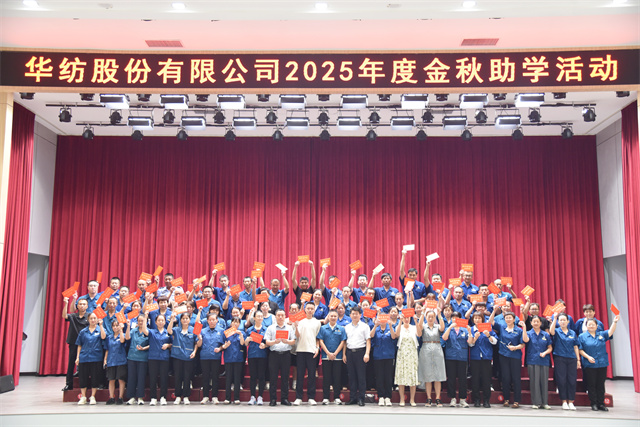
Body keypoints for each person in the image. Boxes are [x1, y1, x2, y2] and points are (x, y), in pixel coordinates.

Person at [578, 315, 619, 411]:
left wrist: (615, 322)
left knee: (601, 384)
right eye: (589, 324)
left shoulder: (601, 334)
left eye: (593, 324)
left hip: (602, 363)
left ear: (597, 326)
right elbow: (580, 350)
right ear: (586, 326)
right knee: (591, 384)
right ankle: (594, 403)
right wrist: (588, 357)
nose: (591, 326)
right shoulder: (582, 336)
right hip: (589, 364)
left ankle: (601, 403)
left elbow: (610, 331)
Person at [489, 307, 525, 408]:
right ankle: (506, 399)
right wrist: (494, 311)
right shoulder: (502, 327)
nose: (508, 319)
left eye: (510, 318)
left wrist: (515, 347)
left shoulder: (519, 330)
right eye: (506, 318)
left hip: (515, 356)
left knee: (516, 378)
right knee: (505, 377)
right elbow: (491, 322)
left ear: (514, 319)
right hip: (503, 355)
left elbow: (523, 344)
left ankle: (516, 401)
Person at [549, 312, 580, 410]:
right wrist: (554, 319)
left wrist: (578, 359)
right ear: (558, 322)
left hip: (572, 358)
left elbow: (575, 346)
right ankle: (564, 401)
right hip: (560, 358)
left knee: (572, 380)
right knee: (561, 380)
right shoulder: (557, 331)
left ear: (568, 321)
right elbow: (551, 332)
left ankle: (571, 401)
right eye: (560, 320)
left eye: (564, 320)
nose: (562, 322)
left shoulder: (572, 333)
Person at [265, 309, 296, 406]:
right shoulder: (271, 328)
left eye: (282, 315)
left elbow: (293, 341)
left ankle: (284, 398)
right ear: (275, 316)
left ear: (285, 316)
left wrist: (287, 341)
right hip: (274, 355)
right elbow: (267, 342)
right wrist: (274, 342)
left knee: (285, 378)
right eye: (278, 315)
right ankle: (273, 399)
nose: (280, 317)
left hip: (286, 355)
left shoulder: (289, 328)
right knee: (273, 378)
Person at [293, 301, 322, 405]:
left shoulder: (317, 322)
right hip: (300, 350)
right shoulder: (300, 321)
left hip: (312, 351)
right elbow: (297, 336)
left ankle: (311, 397)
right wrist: (296, 327)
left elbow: (318, 337)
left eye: (311, 308)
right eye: (308, 308)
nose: (309, 310)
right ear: (305, 309)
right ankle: (298, 397)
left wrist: (317, 348)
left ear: (314, 310)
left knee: (311, 375)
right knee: (300, 375)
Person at [140, 312, 171, 406]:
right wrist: (145, 317)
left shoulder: (168, 332)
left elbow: (173, 343)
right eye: (159, 320)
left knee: (164, 378)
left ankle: (163, 397)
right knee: (153, 378)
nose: (161, 322)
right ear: (156, 322)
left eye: (162, 320)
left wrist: (168, 345)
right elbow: (144, 330)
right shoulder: (152, 332)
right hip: (153, 358)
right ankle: (153, 398)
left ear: (165, 322)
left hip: (164, 358)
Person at [442, 313, 473, 407]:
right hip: (451, 356)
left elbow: (470, 342)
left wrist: (470, 332)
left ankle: (463, 399)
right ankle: (452, 399)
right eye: (453, 318)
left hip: (462, 357)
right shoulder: (449, 328)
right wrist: (450, 327)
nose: (455, 319)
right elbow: (444, 338)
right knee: (451, 378)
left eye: (457, 318)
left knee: (462, 379)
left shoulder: (465, 329)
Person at [167, 312, 198, 404]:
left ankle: (186, 396)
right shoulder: (176, 329)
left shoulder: (194, 330)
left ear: (189, 320)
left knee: (187, 377)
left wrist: (194, 352)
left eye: (186, 318)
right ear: (180, 320)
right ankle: (178, 396)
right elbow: (169, 331)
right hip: (177, 356)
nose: (185, 320)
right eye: (183, 318)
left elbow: (197, 343)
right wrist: (172, 320)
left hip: (188, 356)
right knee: (178, 377)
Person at [317, 309, 347, 405]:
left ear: (337, 317)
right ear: (328, 317)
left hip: (337, 357)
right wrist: (328, 353)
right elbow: (321, 341)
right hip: (326, 356)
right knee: (326, 377)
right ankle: (325, 397)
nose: (333, 318)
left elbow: (343, 342)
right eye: (331, 316)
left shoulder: (341, 329)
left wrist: (335, 353)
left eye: (335, 316)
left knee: (337, 377)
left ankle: (337, 397)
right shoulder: (323, 328)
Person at [523, 315, 552, 409]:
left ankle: (545, 403)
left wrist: (545, 353)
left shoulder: (545, 334)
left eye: (537, 321)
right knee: (534, 382)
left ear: (541, 323)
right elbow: (525, 340)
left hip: (544, 361)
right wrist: (524, 328)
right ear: (531, 323)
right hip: (532, 360)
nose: (536, 323)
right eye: (534, 321)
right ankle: (536, 402)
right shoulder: (528, 333)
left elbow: (550, 348)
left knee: (544, 382)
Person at [343, 306, 371, 406]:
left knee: (361, 377)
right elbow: (345, 342)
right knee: (352, 376)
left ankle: (361, 399)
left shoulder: (365, 326)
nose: (354, 315)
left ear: (360, 315)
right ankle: (353, 398)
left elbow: (368, 341)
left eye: (356, 314)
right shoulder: (347, 327)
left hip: (361, 352)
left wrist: (367, 353)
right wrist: (344, 354)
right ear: (350, 315)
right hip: (349, 353)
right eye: (353, 314)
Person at [469, 312, 497, 408]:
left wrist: (489, 336)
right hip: (475, 357)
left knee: (486, 380)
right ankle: (476, 400)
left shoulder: (488, 328)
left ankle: (486, 400)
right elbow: (470, 344)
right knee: (475, 380)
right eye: (475, 318)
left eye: (479, 318)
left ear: (482, 319)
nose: (477, 320)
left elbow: (495, 342)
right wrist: (475, 338)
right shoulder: (471, 329)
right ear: (473, 320)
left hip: (486, 357)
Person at [75, 312, 104, 405]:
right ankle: (83, 397)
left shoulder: (100, 330)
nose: (93, 320)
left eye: (94, 318)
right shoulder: (83, 332)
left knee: (95, 378)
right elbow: (79, 345)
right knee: (83, 378)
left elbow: (104, 337)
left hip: (96, 357)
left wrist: (101, 325)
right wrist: (77, 357)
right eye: (91, 318)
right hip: (84, 357)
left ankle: (93, 396)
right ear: (88, 320)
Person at [62, 292, 89, 391]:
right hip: (73, 342)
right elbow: (64, 316)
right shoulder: (73, 316)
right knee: (71, 363)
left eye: (84, 304)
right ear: (77, 306)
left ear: (87, 306)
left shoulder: (89, 316)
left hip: (86, 344)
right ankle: (68, 384)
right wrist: (66, 303)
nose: (82, 306)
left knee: (85, 364)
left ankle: (86, 384)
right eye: (80, 304)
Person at [392, 310, 420, 407]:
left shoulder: (414, 327)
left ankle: (412, 399)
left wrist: (416, 321)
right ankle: (401, 399)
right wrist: (400, 321)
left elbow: (419, 334)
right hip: (402, 354)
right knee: (401, 376)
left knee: (412, 376)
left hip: (412, 353)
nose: (406, 319)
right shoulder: (399, 326)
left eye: (408, 318)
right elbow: (396, 335)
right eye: (405, 318)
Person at [198, 313, 225, 404]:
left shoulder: (221, 331)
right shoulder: (202, 331)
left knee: (215, 377)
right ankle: (205, 396)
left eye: (214, 320)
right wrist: (200, 339)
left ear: (217, 320)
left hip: (215, 357)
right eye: (210, 320)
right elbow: (199, 345)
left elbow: (224, 345)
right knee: (205, 377)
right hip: (204, 357)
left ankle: (214, 396)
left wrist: (220, 349)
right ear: (207, 321)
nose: (212, 321)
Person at [369, 313, 396, 406]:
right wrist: (375, 325)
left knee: (388, 377)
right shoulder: (376, 329)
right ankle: (381, 396)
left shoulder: (390, 328)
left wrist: (390, 326)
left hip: (389, 356)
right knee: (379, 377)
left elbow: (393, 337)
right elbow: (371, 336)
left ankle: (388, 397)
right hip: (378, 356)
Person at [245, 310, 269, 405]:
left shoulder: (266, 329)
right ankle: (252, 397)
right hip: (252, 355)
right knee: (253, 376)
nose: (260, 318)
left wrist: (265, 345)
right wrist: (247, 340)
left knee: (262, 376)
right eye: (258, 316)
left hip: (262, 355)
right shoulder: (250, 330)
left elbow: (268, 343)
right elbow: (245, 343)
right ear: (254, 318)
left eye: (261, 316)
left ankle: (260, 397)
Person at [101, 319, 127, 405]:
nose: (115, 327)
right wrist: (105, 359)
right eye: (114, 326)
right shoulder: (109, 337)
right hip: (111, 360)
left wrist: (121, 330)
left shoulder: (123, 335)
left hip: (121, 360)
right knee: (111, 379)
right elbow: (107, 349)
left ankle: (120, 397)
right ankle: (111, 397)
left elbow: (122, 341)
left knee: (121, 379)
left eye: (117, 325)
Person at [125, 314, 149, 405]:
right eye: (139, 321)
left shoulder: (148, 332)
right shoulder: (133, 330)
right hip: (132, 357)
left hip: (143, 358)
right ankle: (131, 397)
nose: (140, 322)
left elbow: (152, 344)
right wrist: (128, 326)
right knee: (131, 378)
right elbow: (127, 338)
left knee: (141, 378)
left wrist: (144, 348)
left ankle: (140, 397)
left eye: (142, 321)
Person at [223, 316, 245, 404]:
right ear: (231, 323)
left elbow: (242, 343)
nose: (235, 323)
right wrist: (225, 346)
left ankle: (236, 398)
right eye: (234, 322)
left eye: (237, 322)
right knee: (228, 378)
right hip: (228, 357)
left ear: (239, 324)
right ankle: (227, 398)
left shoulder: (242, 332)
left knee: (237, 379)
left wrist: (241, 335)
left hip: (238, 358)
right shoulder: (226, 333)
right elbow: (222, 345)